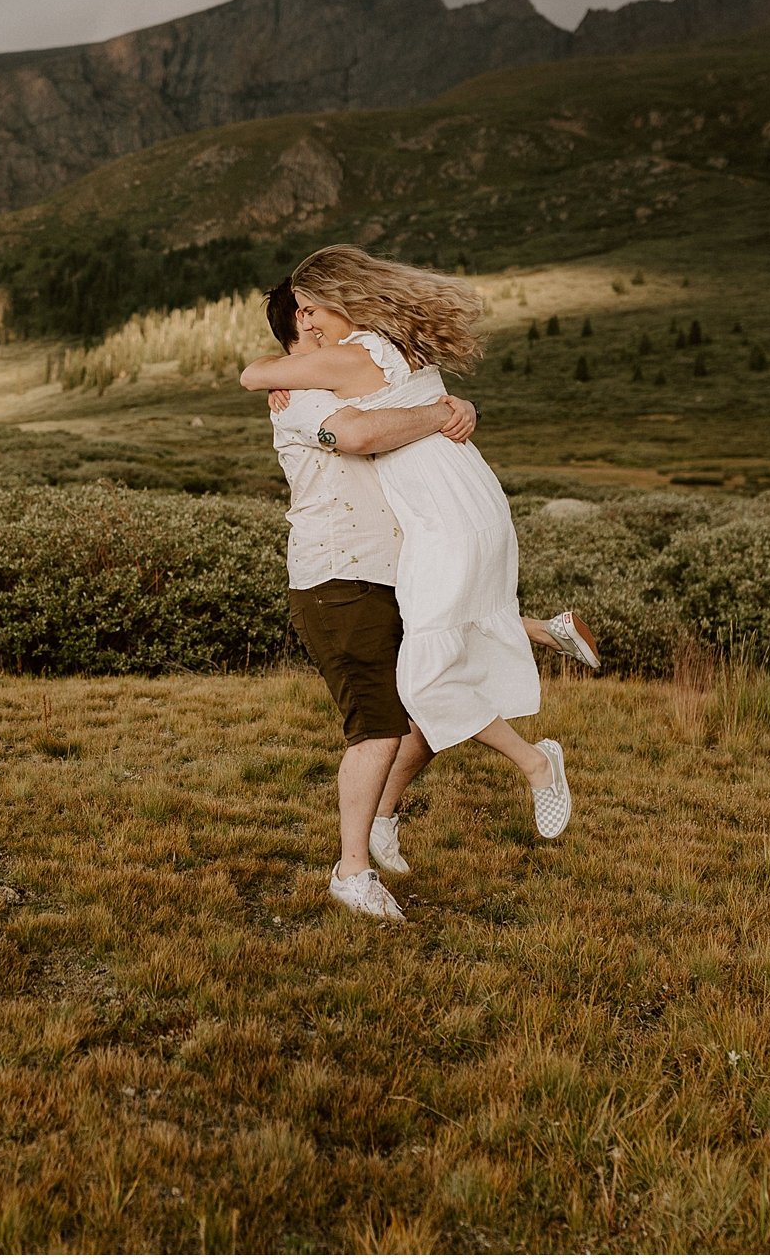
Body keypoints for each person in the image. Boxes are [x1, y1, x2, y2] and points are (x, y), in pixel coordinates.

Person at [242, 248, 599, 918]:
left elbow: (386, 408)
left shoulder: (357, 369)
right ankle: (353, 870)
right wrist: (439, 411)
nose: (313, 336)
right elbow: (353, 433)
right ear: (290, 343)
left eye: (318, 318)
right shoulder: (296, 402)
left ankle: (381, 818)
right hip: (340, 575)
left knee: (429, 702)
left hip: (394, 567)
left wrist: (445, 405)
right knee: (381, 726)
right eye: (302, 330)